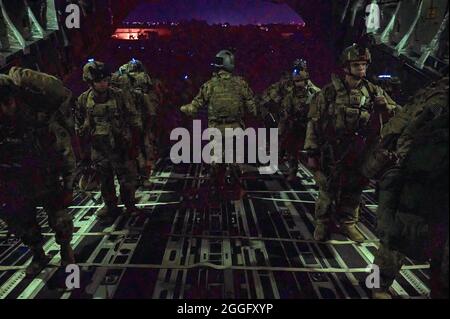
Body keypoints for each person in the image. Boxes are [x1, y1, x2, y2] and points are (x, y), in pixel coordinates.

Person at [304, 43, 398, 242]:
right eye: (356, 65)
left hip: (360, 149)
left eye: (364, 65)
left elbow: (397, 114)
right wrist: (311, 153)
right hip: (333, 149)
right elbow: (313, 123)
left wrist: (385, 108)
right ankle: (323, 223)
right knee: (327, 188)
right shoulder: (328, 93)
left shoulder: (374, 91)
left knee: (354, 188)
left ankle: (348, 223)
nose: (361, 69)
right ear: (346, 67)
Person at [371, 76, 449, 299]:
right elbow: (407, 133)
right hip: (421, 180)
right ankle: (376, 284)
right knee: (396, 239)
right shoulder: (438, 99)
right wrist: (404, 167)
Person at [0, 67, 76, 276]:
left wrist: (69, 185)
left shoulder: (38, 118)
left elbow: (63, 150)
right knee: (23, 224)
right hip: (15, 182)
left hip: (46, 178)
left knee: (60, 220)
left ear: (11, 100)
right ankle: (38, 254)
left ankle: (66, 251)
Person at [180, 50, 257, 198]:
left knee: (216, 161)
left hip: (216, 129)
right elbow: (252, 108)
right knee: (234, 160)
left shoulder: (210, 85)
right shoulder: (241, 84)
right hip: (235, 128)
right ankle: (237, 190)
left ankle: (216, 188)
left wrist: (182, 108)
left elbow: (194, 107)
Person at [76, 60, 143, 224]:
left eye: (105, 80)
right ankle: (110, 206)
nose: (103, 84)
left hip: (120, 145)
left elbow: (134, 118)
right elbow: (78, 126)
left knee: (127, 179)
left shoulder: (119, 95)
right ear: (90, 82)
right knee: (105, 180)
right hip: (99, 148)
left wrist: (136, 143)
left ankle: (130, 205)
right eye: (99, 81)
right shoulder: (84, 100)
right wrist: (84, 152)